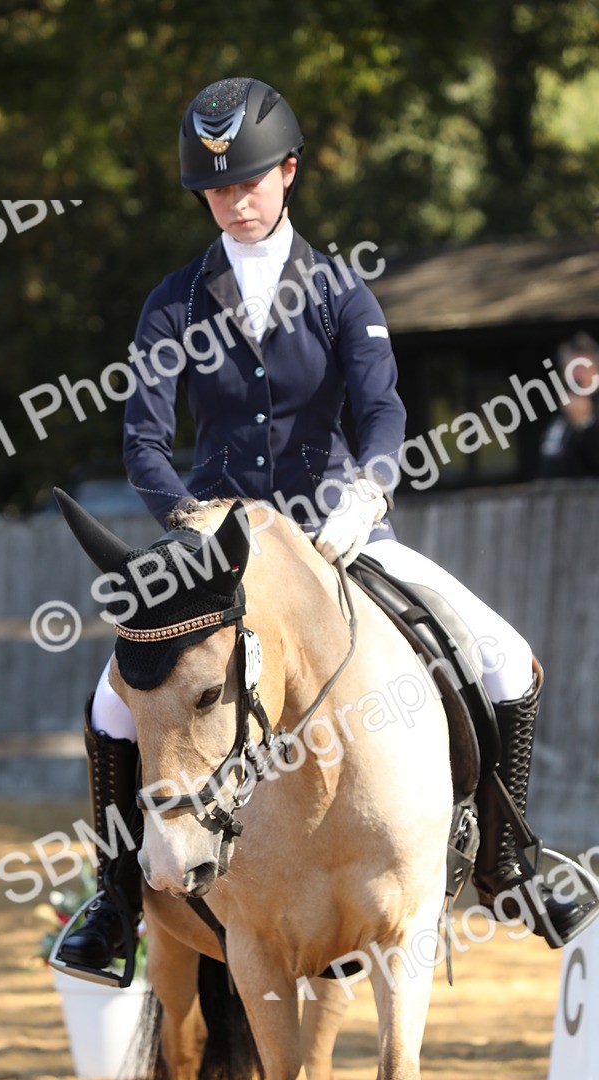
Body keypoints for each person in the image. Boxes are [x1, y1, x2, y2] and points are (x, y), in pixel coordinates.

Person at [54, 77, 596, 976]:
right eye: (217, 189)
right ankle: (116, 903)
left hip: (339, 529)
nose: (235, 200)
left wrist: (368, 492)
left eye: (249, 182)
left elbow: (383, 411)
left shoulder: (341, 291)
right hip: (221, 547)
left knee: (504, 658)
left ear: (288, 173)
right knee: (112, 701)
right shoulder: (173, 302)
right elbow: (143, 440)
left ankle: (510, 862)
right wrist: (189, 524)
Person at [538, 332, 599, 478]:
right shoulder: (560, 415)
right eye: (572, 369)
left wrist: (585, 423)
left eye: (584, 368)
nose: (578, 376)